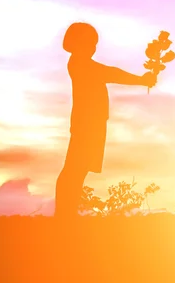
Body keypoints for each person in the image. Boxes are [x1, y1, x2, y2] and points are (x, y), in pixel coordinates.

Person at [55, 22, 156, 219]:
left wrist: (141, 80)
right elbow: (110, 73)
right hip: (86, 124)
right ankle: (64, 214)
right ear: (76, 43)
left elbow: (108, 72)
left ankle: (67, 213)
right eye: (89, 42)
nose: (93, 47)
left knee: (78, 169)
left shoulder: (80, 64)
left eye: (94, 44)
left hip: (92, 123)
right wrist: (140, 80)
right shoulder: (79, 64)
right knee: (74, 169)